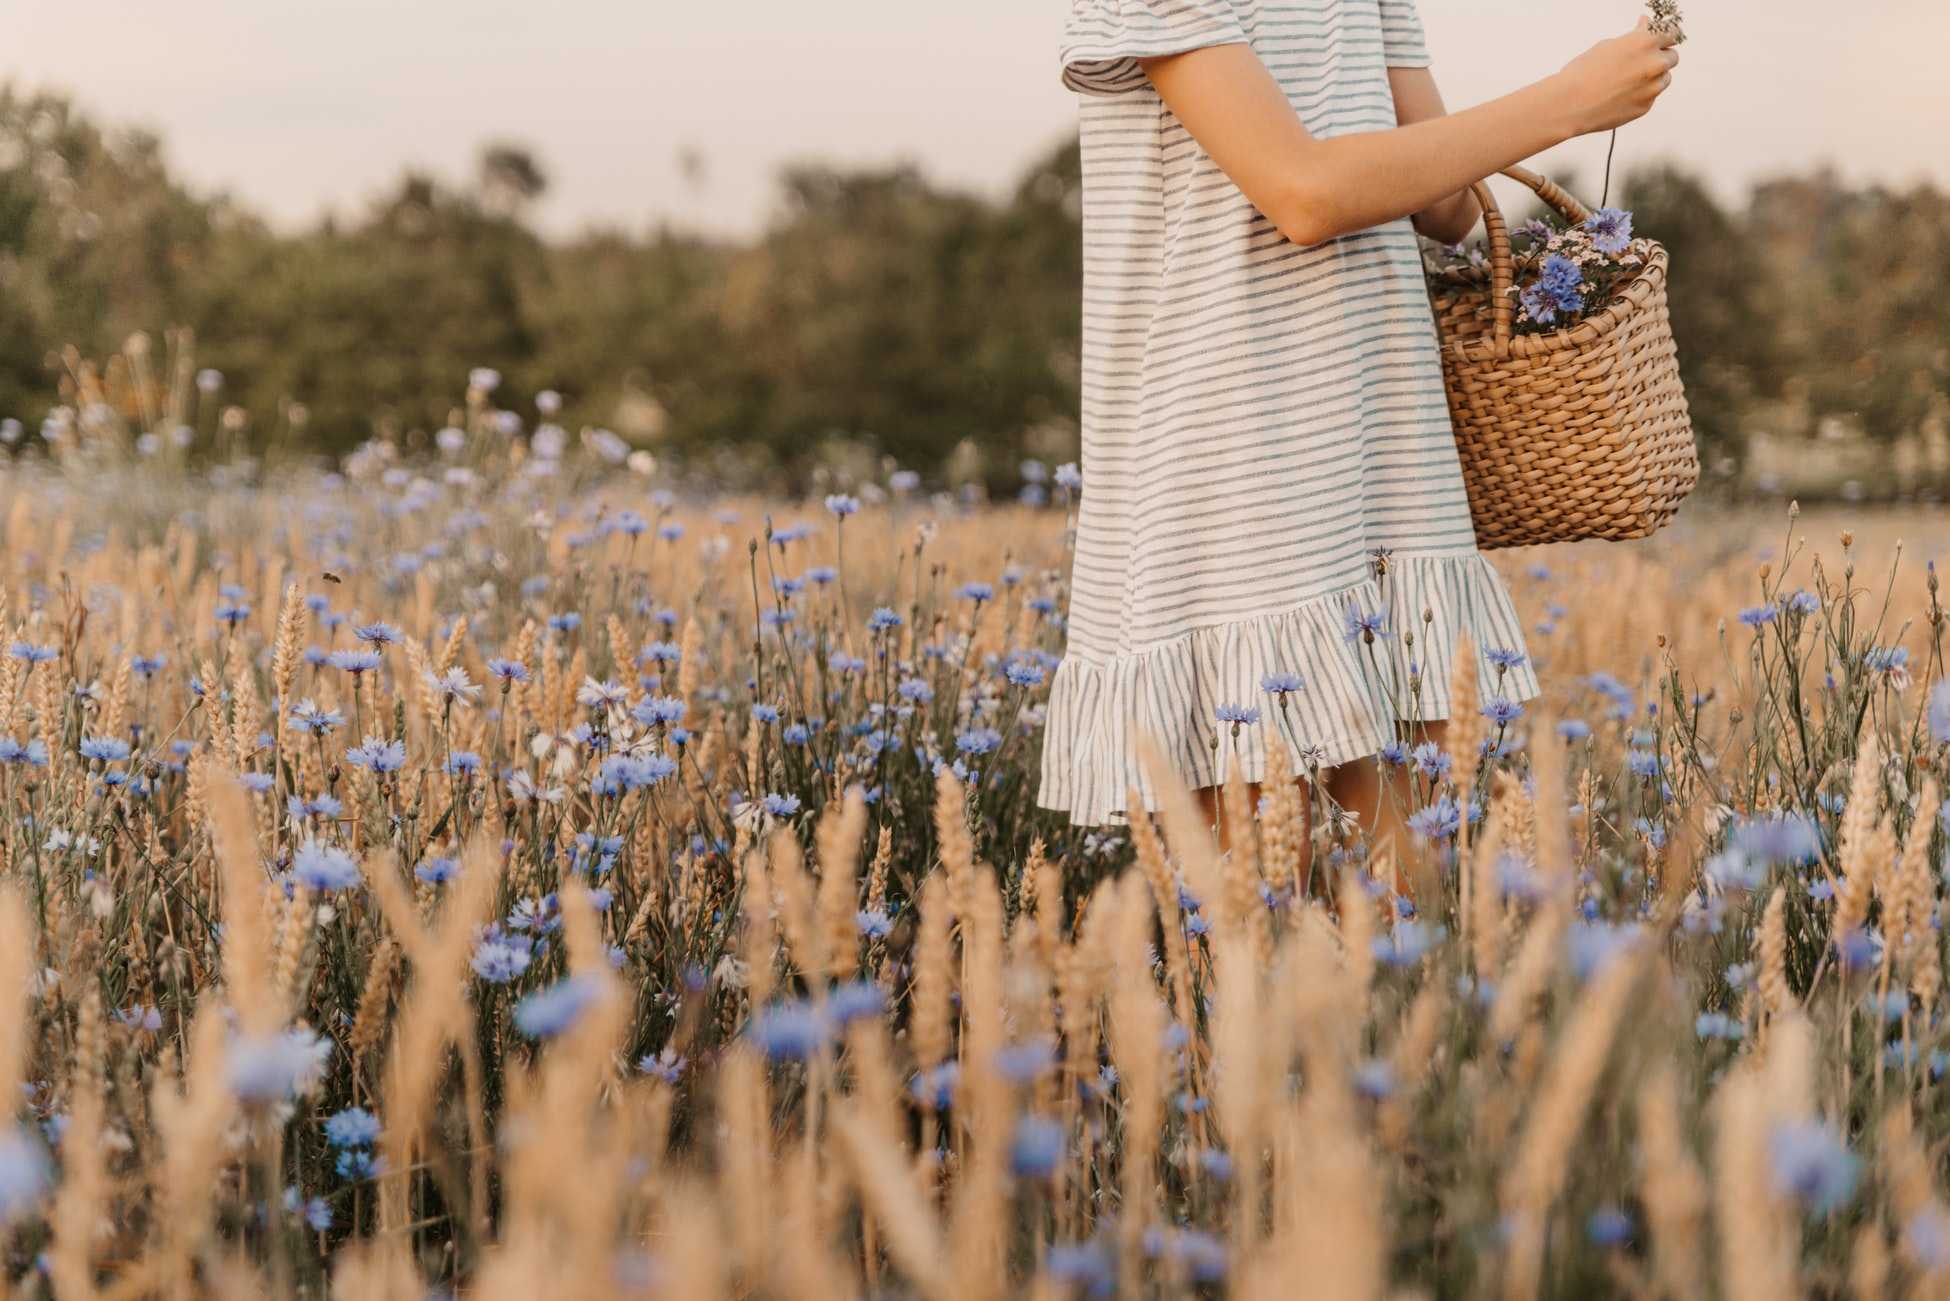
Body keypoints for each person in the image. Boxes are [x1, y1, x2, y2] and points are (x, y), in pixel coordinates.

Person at [1037, 1, 1680, 849]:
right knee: (1253, 918)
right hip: (1235, 467)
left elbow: (1446, 207)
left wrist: (1586, 91)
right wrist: (1568, 99)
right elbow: (1303, 194)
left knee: (1403, 904)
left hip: (1381, 454)